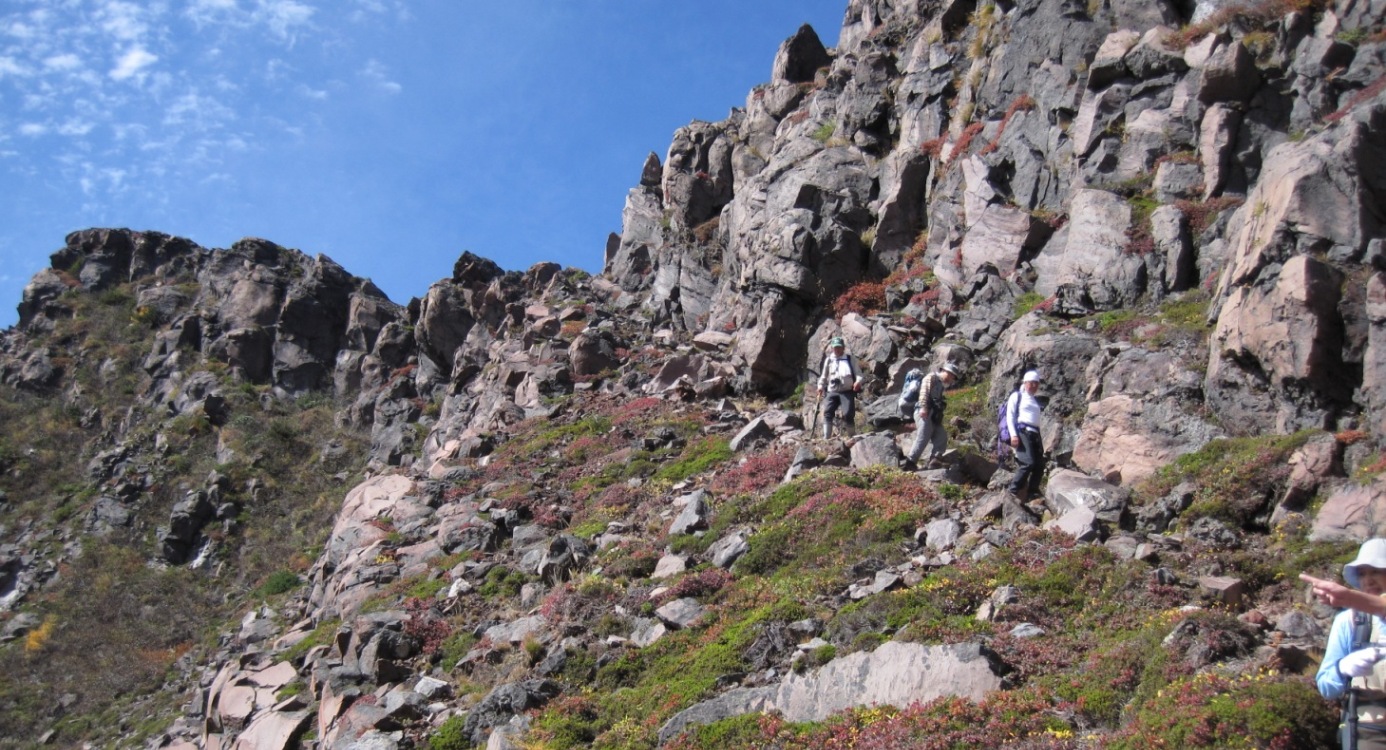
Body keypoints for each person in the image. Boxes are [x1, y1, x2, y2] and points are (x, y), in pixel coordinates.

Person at [1312, 539, 1386, 749]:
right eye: (1362, 574)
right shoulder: (1349, 621)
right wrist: (1342, 669)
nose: (1368, 580)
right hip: (1370, 733)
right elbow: (1325, 685)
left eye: (1376, 571)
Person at [902, 362, 961, 469]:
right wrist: (923, 407)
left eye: (953, 377)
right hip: (923, 410)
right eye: (951, 375)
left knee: (941, 435)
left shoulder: (940, 384)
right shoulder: (931, 377)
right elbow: (924, 392)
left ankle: (935, 460)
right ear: (945, 371)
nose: (952, 379)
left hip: (933, 414)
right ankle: (910, 462)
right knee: (924, 435)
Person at [1005, 370, 1046, 500]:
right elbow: (1010, 416)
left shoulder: (1034, 400)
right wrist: (1013, 435)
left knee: (1039, 464)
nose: (1034, 386)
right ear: (1025, 382)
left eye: (1036, 383)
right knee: (1028, 462)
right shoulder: (1017, 396)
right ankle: (1013, 490)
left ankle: (1032, 492)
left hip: (1035, 433)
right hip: (1022, 432)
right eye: (1031, 383)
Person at [816, 336, 863, 440]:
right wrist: (820, 387)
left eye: (839, 347)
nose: (837, 350)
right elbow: (823, 376)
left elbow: (859, 374)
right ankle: (826, 438)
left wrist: (858, 382)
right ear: (832, 348)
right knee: (828, 412)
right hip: (832, 391)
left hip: (847, 391)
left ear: (843, 348)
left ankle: (852, 437)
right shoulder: (829, 360)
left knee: (848, 414)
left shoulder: (850, 359)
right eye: (835, 347)